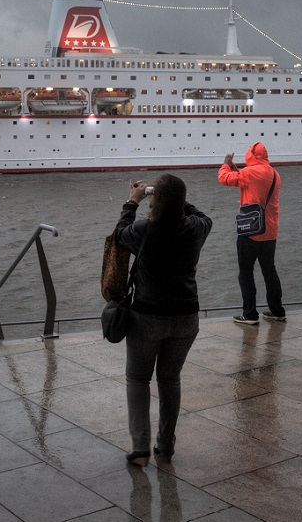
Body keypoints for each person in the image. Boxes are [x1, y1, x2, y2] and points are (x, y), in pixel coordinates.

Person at [114, 174, 212, 466]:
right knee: (170, 379)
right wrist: (176, 198)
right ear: (181, 202)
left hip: (147, 316)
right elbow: (202, 215)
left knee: (138, 379)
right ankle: (166, 446)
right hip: (186, 317)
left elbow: (119, 233)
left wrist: (134, 200)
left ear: (156, 201)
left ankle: (141, 449)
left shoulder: (143, 229)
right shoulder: (196, 229)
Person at [217, 142, 286, 324]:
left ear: (251, 155)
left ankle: (250, 314)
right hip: (270, 230)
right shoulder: (274, 174)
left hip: (251, 230)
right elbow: (252, 181)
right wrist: (236, 169)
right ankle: (277, 311)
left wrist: (226, 165)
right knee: (269, 270)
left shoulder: (250, 173)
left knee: (246, 272)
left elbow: (225, 179)